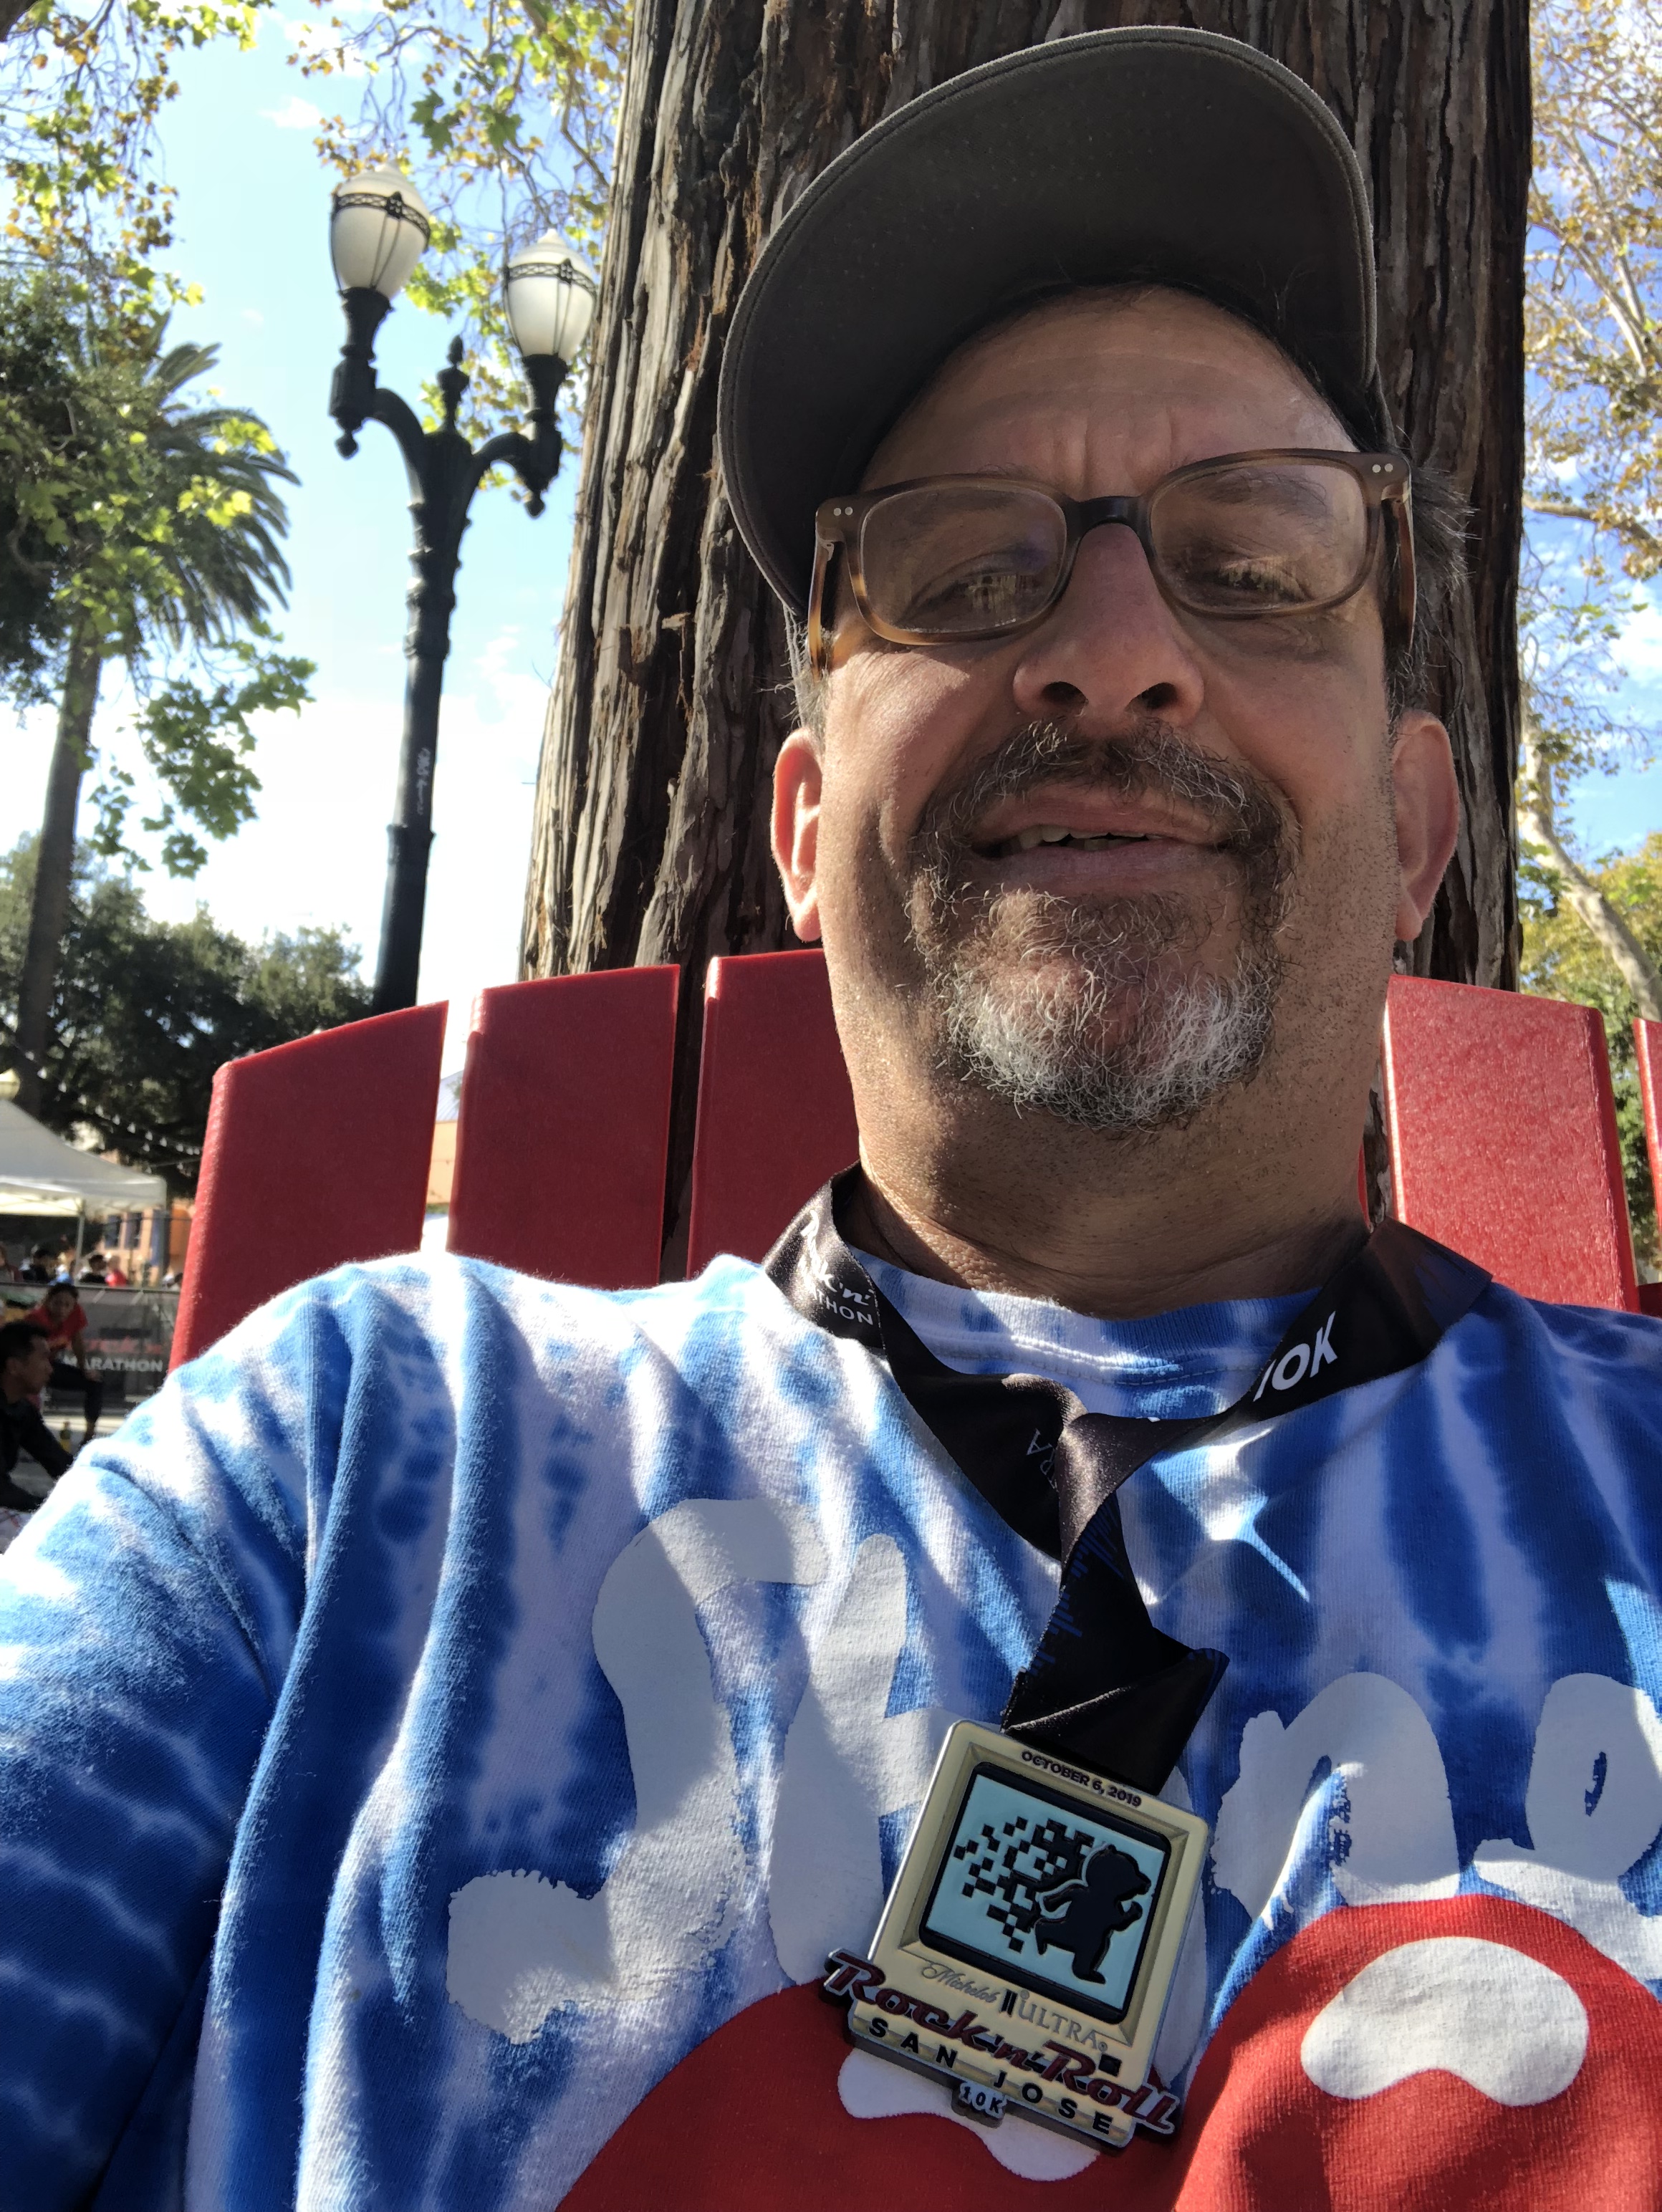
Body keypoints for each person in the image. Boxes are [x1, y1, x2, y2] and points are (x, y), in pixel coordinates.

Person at [1, 27, 1661, 2212]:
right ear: (801, 832)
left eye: (1253, 559)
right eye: (966, 571)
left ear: (1422, 825)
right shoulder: (347, 1471)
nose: (1110, 653)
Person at [0, 1319, 72, 1552]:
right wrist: (46, 1509)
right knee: (51, 1541)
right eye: (43, 1359)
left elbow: (60, 1462)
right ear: (14, 1366)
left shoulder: (22, 1410)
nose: (50, 1369)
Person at [24, 1280, 105, 1446]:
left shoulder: (76, 1313)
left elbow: (78, 1342)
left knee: (95, 1383)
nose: (62, 1309)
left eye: (67, 1305)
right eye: (57, 1303)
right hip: (28, 1369)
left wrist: (84, 1369)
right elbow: (27, 1354)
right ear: (48, 1301)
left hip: (50, 1367)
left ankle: (89, 1437)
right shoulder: (36, 1318)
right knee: (31, 1404)